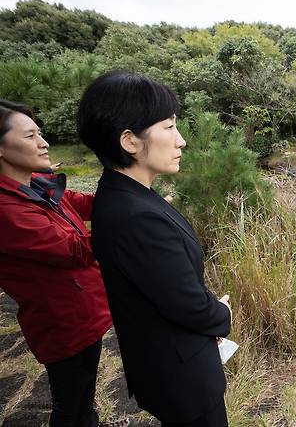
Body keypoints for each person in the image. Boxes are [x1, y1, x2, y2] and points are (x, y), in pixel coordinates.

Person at [77, 72, 233, 427]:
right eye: (168, 127)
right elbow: (187, 305)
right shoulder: (137, 217)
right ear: (130, 141)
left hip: (163, 364)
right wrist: (221, 314)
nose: (181, 141)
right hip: (180, 376)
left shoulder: (124, 194)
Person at [0, 100, 117, 427]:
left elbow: (85, 204)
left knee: (83, 395)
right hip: (62, 322)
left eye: (40, 133)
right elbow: (75, 250)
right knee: (69, 405)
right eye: (30, 136)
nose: (44, 142)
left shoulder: (36, 183)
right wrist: (130, 225)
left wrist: (133, 199)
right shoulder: (6, 210)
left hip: (84, 310)